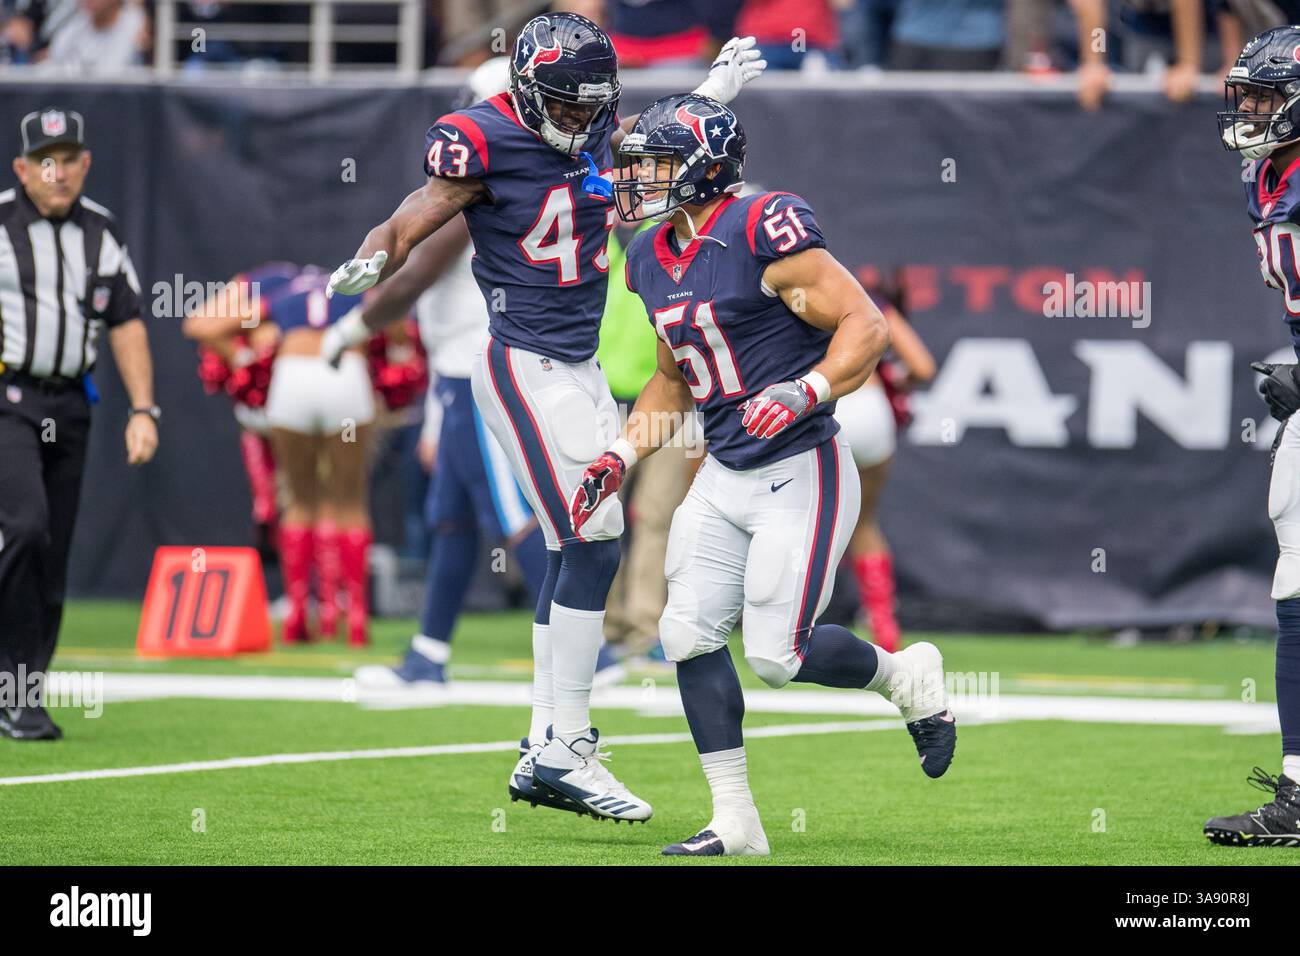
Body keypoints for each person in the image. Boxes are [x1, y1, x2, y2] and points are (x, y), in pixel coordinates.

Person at [321, 13, 765, 821]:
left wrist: (711, 92)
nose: (577, 120)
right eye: (562, 105)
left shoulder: (595, 124)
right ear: (526, 90)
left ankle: (544, 745)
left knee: (575, 543)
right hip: (524, 363)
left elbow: (649, 139)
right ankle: (566, 742)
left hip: (581, 366)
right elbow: (415, 216)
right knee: (595, 535)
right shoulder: (481, 141)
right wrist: (373, 256)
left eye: (588, 106)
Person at [571, 94, 957, 857]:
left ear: (703, 168)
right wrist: (620, 454)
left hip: (800, 464)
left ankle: (905, 676)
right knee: (684, 634)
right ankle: (735, 820)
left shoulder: (761, 228)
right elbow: (672, 380)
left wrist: (807, 388)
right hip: (720, 469)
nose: (639, 179)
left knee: (779, 657)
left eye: (654, 165)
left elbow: (866, 324)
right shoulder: (650, 255)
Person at [0, 107, 159, 740]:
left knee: (53, 551)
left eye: (69, 159)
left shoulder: (102, 232)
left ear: (86, 164)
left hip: (70, 406)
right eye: (46, 159)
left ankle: (24, 692)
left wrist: (144, 408)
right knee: (27, 527)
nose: (58, 171)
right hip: (8, 398)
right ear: (22, 168)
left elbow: (126, 323)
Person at [1207, 24, 1300, 845]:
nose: (1255, 109)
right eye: (1251, 93)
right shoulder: (1267, 175)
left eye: (1269, 94)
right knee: (1295, 581)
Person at [182, 266, 371, 646]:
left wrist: (244, 360)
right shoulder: (359, 290)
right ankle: (354, 622)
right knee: (348, 502)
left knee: (300, 501)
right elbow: (399, 329)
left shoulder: (281, 295)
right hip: (345, 376)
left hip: (293, 377)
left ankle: (298, 617)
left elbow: (204, 327)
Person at [834, 272, 935, 652]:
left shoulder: (804, 297)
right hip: (872, 413)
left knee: (809, 520)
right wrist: (894, 382)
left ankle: (795, 623)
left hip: (830, 407)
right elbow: (923, 367)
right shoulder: (873, 304)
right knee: (864, 523)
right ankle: (884, 627)